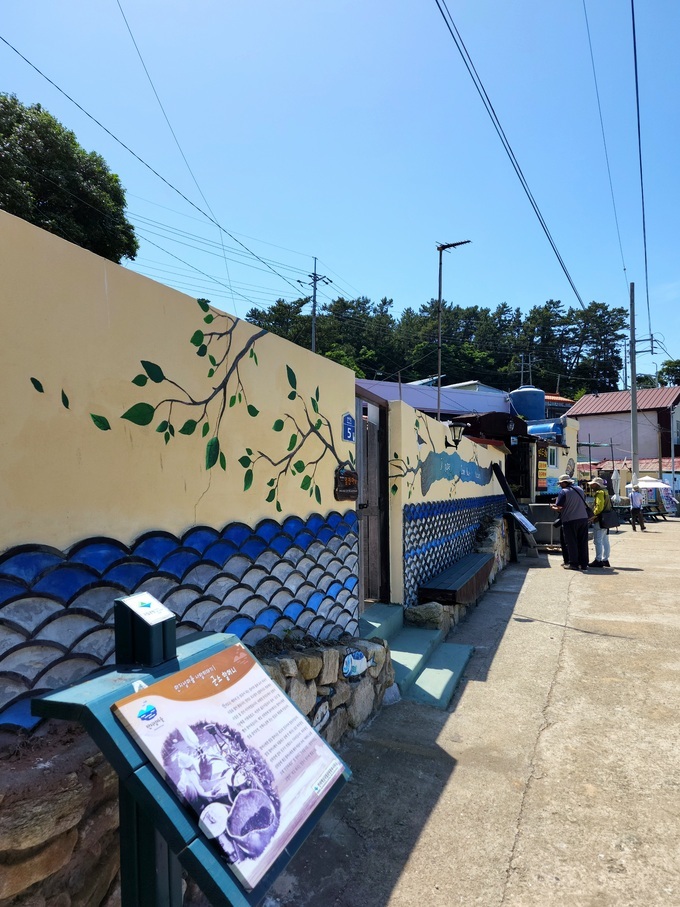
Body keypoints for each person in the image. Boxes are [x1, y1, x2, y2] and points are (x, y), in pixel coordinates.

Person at [551, 474, 591, 571]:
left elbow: (559, 507)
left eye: (561, 483)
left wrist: (552, 507)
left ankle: (573, 564)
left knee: (571, 542)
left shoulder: (563, 492)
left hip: (570, 520)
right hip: (583, 519)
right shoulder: (580, 489)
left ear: (565, 483)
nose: (560, 485)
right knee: (583, 542)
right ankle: (584, 564)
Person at [587, 477, 612, 568]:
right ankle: (605, 559)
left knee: (597, 540)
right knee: (605, 540)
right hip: (607, 519)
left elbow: (599, 507)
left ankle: (598, 560)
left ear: (596, 485)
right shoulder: (606, 492)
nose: (591, 486)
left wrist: (593, 516)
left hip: (600, 519)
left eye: (592, 484)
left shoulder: (599, 493)